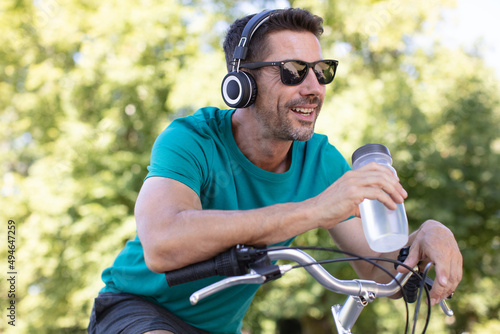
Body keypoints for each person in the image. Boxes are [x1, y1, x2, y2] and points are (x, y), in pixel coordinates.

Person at [88, 8, 462, 334]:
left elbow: (382, 271)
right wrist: (314, 210)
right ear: (242, 84)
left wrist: (426, 237)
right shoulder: (191, 139)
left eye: (323, 71)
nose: (314, 87)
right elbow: (162, 243)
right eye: (294, 71)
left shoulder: (321, 160)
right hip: (136, 307)